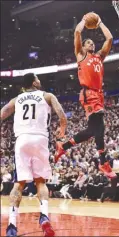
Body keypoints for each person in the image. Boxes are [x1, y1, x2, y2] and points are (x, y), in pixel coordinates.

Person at [0, 73, 67, 237]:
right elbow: (62, 114)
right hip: (40, 139)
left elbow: (2, 113)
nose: (40, 80)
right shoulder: (47, 95)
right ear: (33, 82)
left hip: (22, 140)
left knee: (19, 183)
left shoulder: (17, 99)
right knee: (40, 182)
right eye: (37, 78)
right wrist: (62, 129)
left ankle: (12, 225)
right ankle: (44, 216)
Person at [54, 13, 116, 179]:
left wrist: (100, 22)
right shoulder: (81, 55)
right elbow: (77, 33)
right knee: (99, 127)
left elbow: (109, 39)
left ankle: (64, 146)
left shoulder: (99, 57)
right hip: (88, 93)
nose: (92, 44)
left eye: (93, 43)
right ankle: (103, 162)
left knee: (92, 130)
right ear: (83, 46)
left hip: (98, 94)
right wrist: (83, 21)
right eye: (89, 42)